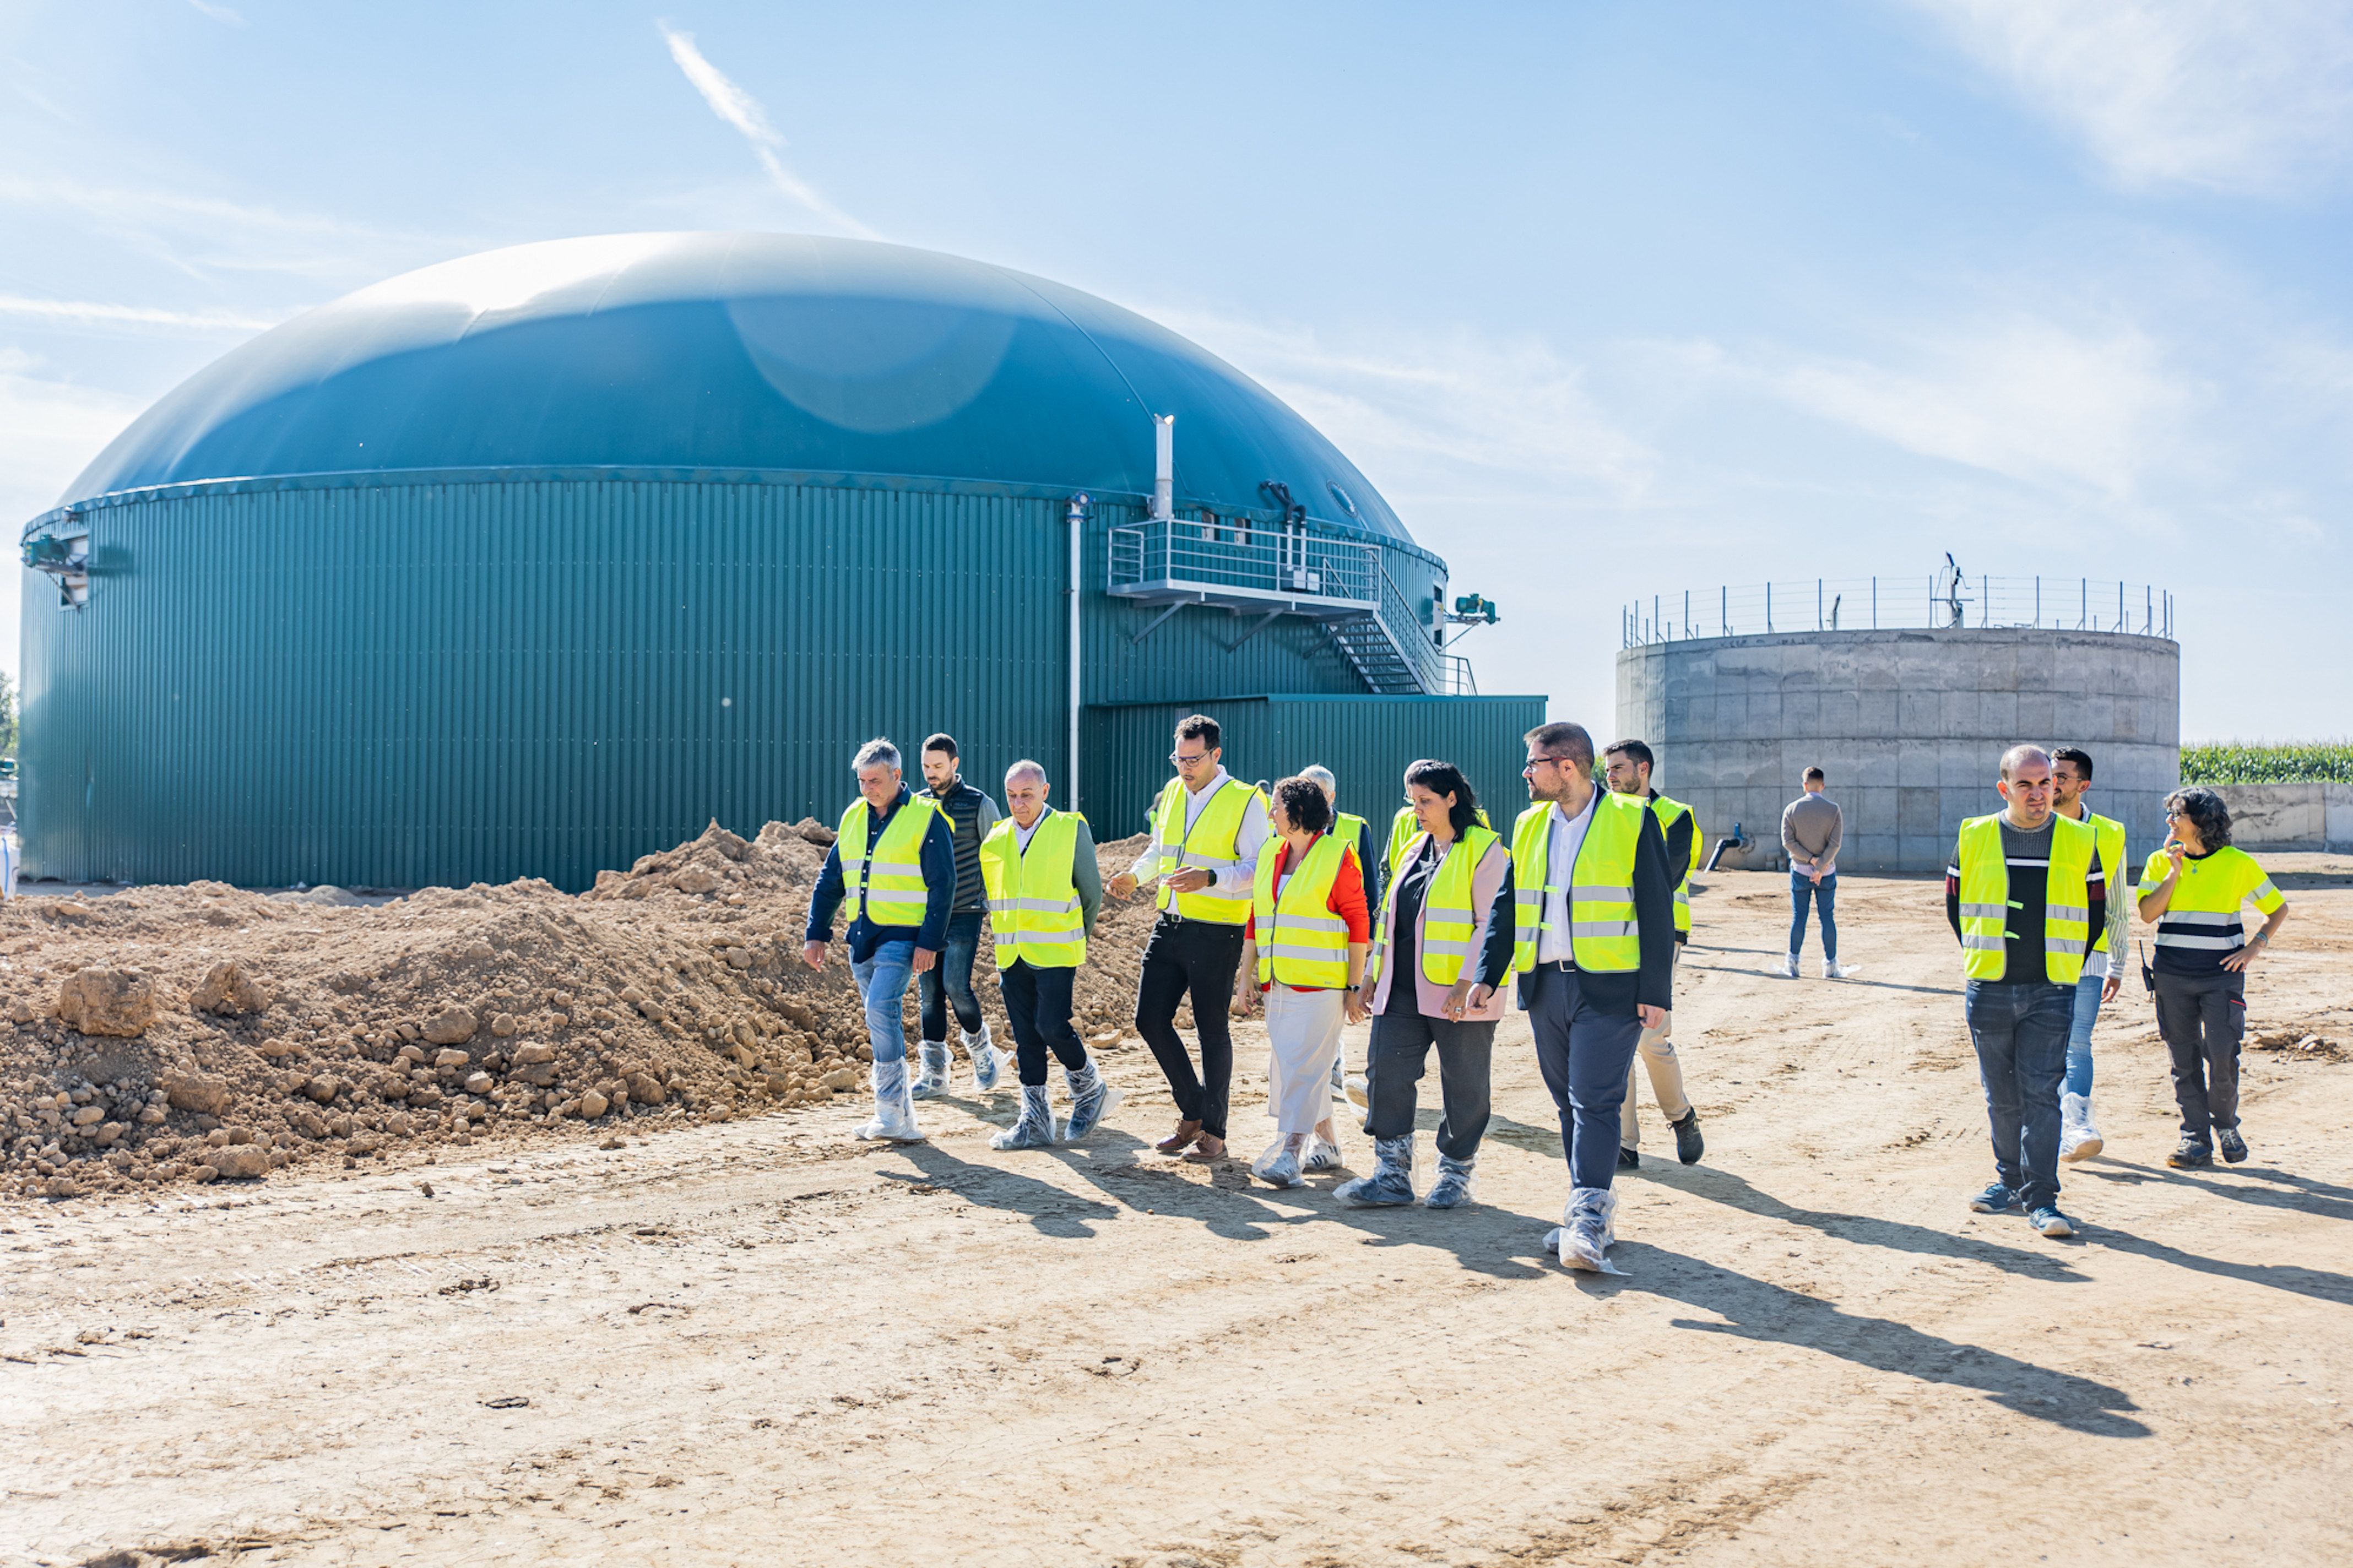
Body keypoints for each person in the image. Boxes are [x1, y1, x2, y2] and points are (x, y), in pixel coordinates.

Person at [1467, 721, 1673, 1273]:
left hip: (1610, 986)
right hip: (1545, 983)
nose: (1525, 773)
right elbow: (1509, 905)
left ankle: (1585, 1218)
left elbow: (1657, 907)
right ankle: (1591, 1208)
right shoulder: (1530, 823)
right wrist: (1488, 973)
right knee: (1567, 1104)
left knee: (1594, 1101)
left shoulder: (1634, 819)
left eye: (1534, 763)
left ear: (1567, 767)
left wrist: (1657, 991)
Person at [1948, 745, 2104, 1239]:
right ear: (2005, 788)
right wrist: (1985, 957)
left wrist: (2063, 966)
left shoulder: (2081, 839)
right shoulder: (1974, 834)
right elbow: (1956, 905)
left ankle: (2042, 1198)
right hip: (1990, 987)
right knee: (2001, 1097)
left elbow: (2095, 910)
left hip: (2052, 989)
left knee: (2041, 1096)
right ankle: (2006, 1181)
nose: (2038, 793)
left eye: (2046, 783)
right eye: (2025, 784)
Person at [1340, 759, 1510, 1209]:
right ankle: (1392, 1176)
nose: (1417, 810)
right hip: (1401, 990)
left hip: (1460, 994)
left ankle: (1455, 1175)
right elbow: (1389, 919)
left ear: (1452, 798)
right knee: (1386, 1074)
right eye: (1413, 801)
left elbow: (1490, 924)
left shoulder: (1486, 849)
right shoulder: (1414, 847)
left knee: (1465, 1086)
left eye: (1426, 801)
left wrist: (1465, 981)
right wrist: (1372, 973)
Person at [1108, 714, 1271, 1163]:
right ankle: (1194, 1109)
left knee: (1212, 1030)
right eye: (1178, 758)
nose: (1184, 767)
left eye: (1193, 759)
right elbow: (1160, 850)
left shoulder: (1246, 801)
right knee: (1149, 1019)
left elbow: (1261, 869)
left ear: (1216, 754)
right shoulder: (1174, 792)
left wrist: (1211, 877)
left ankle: (1214, 1130)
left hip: (1217, 931)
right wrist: (1135, 877)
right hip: (1171, 923)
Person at [803, 738, 957, 1143]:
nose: (867, 788)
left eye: (875, 780)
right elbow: (831, 880)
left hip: (904, 936)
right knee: (880, 1018)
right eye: (862, 781)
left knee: (880, 1008)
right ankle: (902, 1120)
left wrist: (930, 940)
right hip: (863, 937)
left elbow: (944, 884)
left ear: (897, 776)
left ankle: (887, 1111)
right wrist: (817, 932)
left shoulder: (926, 818)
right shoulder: (854, 816)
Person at [2137, 787, 2290, 1169]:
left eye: (2177, 814)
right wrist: (2174, 874)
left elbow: (2278, 908)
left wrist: (2254, 947)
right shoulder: (2160, 861)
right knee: (2183, 1059)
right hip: (2171, 975)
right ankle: (2195, 1139)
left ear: (2201, 821)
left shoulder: (2238, 863)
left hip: (2221, 977)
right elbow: (2146, 914)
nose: (2170, 820)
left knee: (2223, 1055)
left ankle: (2225, 1125)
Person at [1233, 776, 1370, 1186]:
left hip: (1322, 987)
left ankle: (1290, 1152)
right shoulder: (1272, 851)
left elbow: (1358, 924)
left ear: (1296, 812)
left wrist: (1353, 987)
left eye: (1275, 806)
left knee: (1306, 1070)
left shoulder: (1338, 855)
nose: (1270, 813)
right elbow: (1257, 918)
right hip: (1279, 984)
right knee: (1292, 1067)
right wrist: (1246, 979)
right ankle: (1327, 1145)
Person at [978, 760, 1116, 1149]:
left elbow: (1091, 894)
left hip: (1056, 950)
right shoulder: (996, 837)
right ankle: (1036, 1121)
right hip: (1012, 953)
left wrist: (1073, 937)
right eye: (1012, 796)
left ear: (1045, 791)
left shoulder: (1070, 828)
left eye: (1027, 794)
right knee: (1026, 1039)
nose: (1019, 804)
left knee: (1052, 1025)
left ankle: (1089, 1088)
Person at [1602, 739, 1705, 1168]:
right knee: (1614, 1038)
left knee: (1649, 1035)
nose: (1610, 777)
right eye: (1607, 770)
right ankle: (1624, 1142)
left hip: (1660, 934)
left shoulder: (1675, 816)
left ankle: (1681, 1116)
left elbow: (1666, 875)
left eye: (1619, 768)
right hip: (1606, 935)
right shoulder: (1600, 815)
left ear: (1643, 769)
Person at [913, 734, 1004, 1098]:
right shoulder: (915, 806)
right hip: (926, 914)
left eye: (938, 766)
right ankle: (935, 1073)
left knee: (955, 984)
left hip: (966, 908)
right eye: (926, 767)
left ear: (955, 763)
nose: (932, 774)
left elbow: (1000, 856)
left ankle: (984, 1052)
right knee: (929, 993)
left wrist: (999, 907)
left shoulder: (979, 803)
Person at [2050, 746, 2125, 1162]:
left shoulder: (2110, 833)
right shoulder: (2031, 823)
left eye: (2061, 776)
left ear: (2084, 785)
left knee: (2077, 1043)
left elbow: (2115, 900)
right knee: (2041, 1045)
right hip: (2037, 954)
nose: (2053, 782)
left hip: (2089, 954)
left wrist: (2119, 961)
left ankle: (2078, 1124)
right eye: (2050, 774)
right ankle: (2050, 1125)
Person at [1299, 762, 1379, 1100]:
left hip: (1347, 933)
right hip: (1305, 934)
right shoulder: (1288, 829)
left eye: (1317, 792)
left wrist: (1371, 932)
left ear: (1332, 795)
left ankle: (1331, 1072)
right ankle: (1323, 1072)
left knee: (1336, 1004)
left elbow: (1371, 886)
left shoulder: (1355, 828)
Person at [1780, 768, 1858, 979]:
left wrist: (1811, 861)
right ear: (1822, 785)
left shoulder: (1792, 809)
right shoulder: (1833, 810)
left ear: (1804, 785)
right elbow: (1836, 844)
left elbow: (1788, 843)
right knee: (1827, 918)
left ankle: (1793, 964)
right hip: (1827, 873)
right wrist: (1821, 866)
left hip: (1800, 872)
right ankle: (1831, 967)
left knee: (1799, 917)